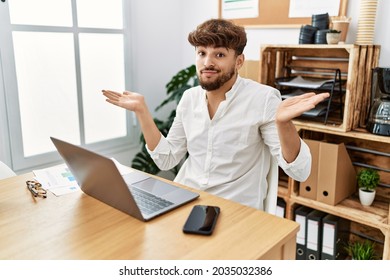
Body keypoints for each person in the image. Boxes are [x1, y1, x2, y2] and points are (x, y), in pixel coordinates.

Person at [102, 19, 329, 213]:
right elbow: (167, 158)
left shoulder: (264, 98)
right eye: (202, 53)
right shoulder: (189, 98)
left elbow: (300, 171)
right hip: (185, 200)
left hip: (233, 210)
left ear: (238, 61)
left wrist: (284, 122)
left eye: (219, 54)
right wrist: (142, 112)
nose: (207, 62)